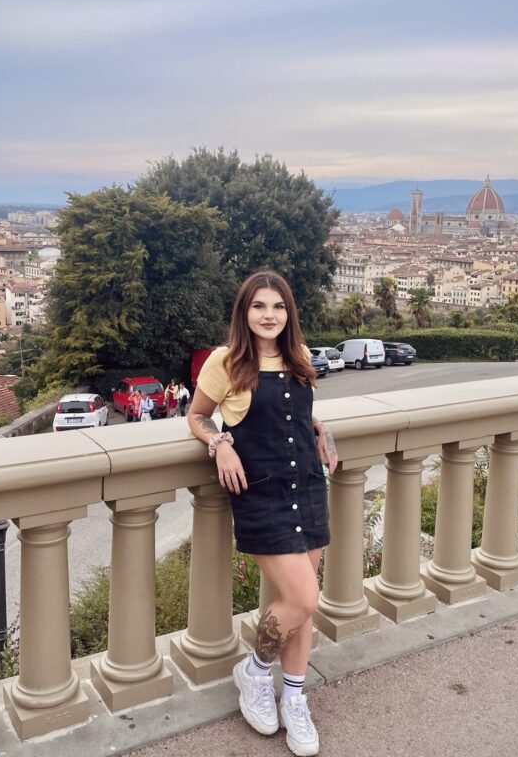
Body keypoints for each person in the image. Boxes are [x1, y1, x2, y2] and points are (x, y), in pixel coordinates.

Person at [188, 271, 337, 757]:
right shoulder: (225, 361)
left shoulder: (300, 356)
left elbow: (295, 411)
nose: (269, 315)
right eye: (259, 307)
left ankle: (293, 698)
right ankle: (254, 672)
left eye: (278, 306)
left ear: (288, 312)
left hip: (308, 485)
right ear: (244, 313)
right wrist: (218, 443)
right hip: (263, 493)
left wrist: (318, 427)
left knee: (303, 604)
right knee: (304, 598)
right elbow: (196, 414)